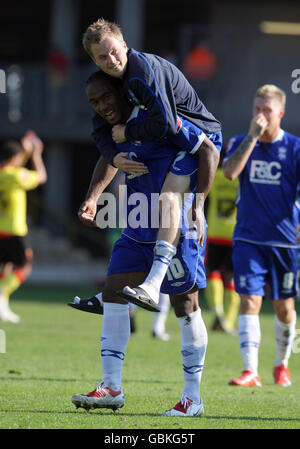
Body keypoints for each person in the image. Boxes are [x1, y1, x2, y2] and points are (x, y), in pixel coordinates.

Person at [71, 70, 208, 417]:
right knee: (114, 291)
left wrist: (199, 204)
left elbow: (207, 149)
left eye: (106, 98)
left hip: (175, 227)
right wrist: (93, 197)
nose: (102, 106)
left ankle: (192, 398)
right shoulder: (116, 130)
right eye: (94, 102)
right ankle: (111, 386)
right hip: (135, 226)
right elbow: (109, 157)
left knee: (184, 304)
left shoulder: (159, 118)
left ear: (122, 93)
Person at [81, 18, 221, 310]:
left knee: (168, 199)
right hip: (172, 140)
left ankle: (154, 284)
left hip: (197, 138)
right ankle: (117, 288)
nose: (111, 60)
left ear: (124, 45)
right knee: (144, 211)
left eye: (114, 52)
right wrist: (112, 158)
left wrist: (198, 204)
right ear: (94, 60)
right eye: (102, 57)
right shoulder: (110, 82)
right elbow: (101, 132)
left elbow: (167, 124)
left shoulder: (141, 72)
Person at [222, 84, 299, 387]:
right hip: (248, 237)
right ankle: (250, 370)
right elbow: (229, 172)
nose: (261, 115)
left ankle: (282, 364)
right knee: (249, 300)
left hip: (285, 241)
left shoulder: (295, 147)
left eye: (266, 109)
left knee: (284, 307)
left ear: (280, 112)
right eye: (256, 109)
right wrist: (253, 137)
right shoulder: (241, 141)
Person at [0, 132, 47, 323]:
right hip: (14, 229)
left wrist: (24, 154)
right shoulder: (16, 175)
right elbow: (41, 177)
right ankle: (2, 295)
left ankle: (3, 305)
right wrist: (36, 154)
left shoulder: (4, 173)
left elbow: (16, 167)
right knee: (25, 266)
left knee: (5, 268)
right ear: (15, 158)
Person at [204, 165, 240, 334]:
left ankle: (217, 311)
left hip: (215, 232)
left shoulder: (216, 176)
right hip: (236, 234)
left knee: (213, 272)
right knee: (232, 277)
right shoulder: (241, 179)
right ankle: (228, 322)